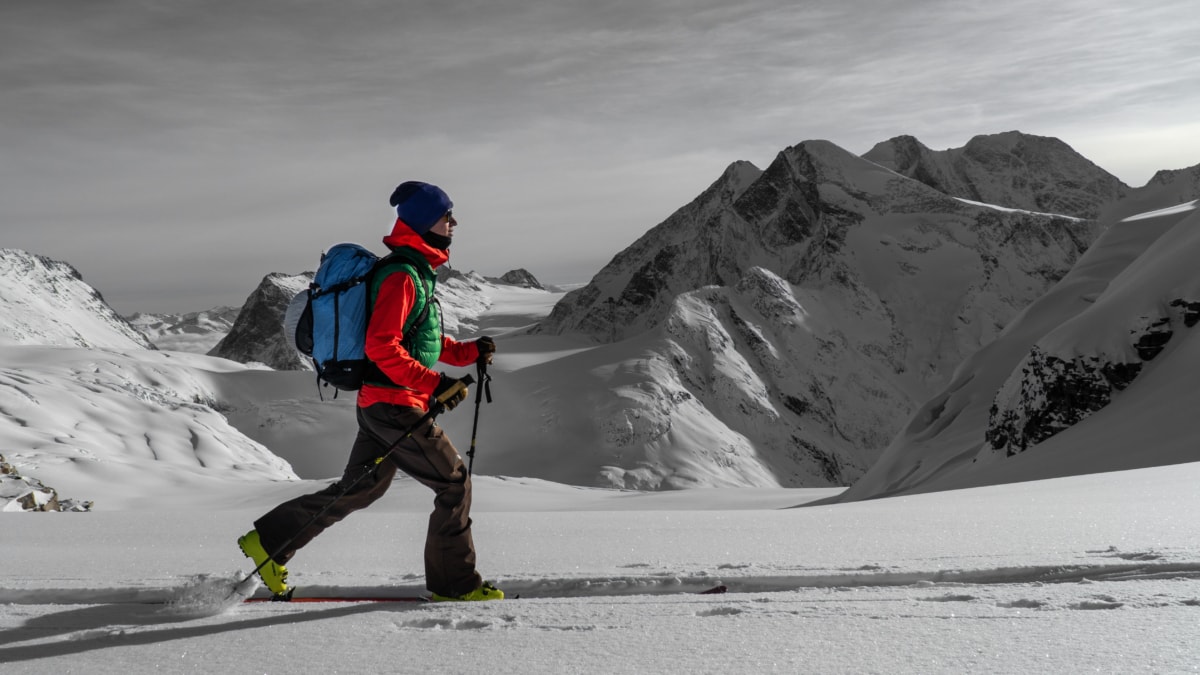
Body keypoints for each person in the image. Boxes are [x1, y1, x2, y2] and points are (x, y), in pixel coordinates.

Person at [238, 181, 503, 602]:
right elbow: (383, 346)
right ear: (423, 222)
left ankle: (269, 544)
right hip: (396, 406)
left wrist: (469, 351)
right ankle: (455, 586)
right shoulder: (401, 275)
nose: (455, 222)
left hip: (380, 405)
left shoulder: (414, 271)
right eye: (446, 214)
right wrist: (437, 383)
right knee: (454, 484)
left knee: (358, 488)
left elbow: (422, 341)